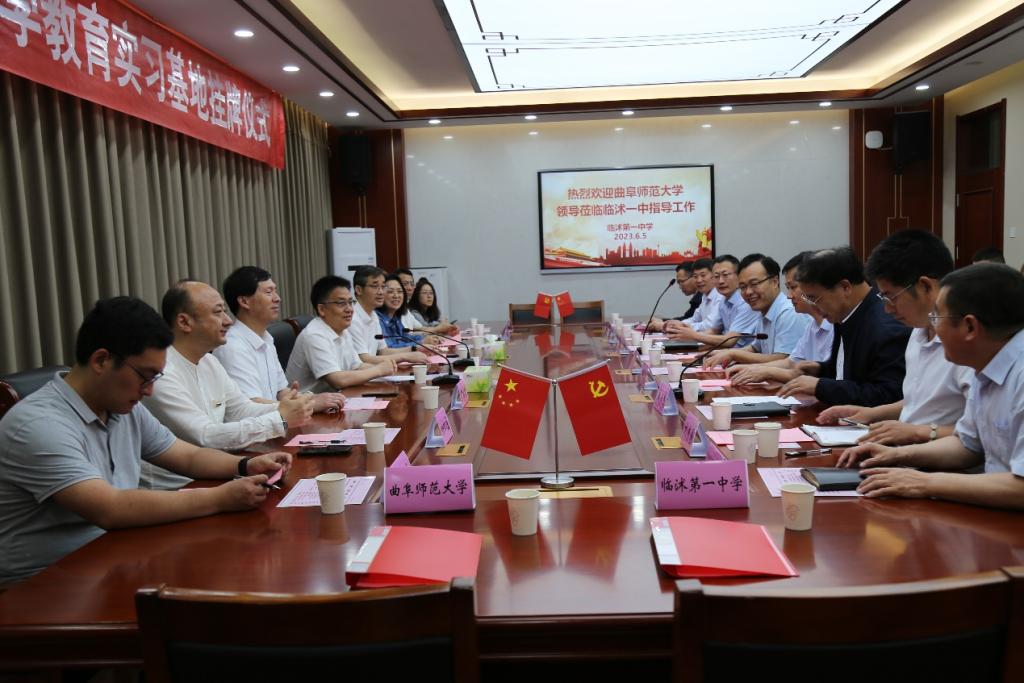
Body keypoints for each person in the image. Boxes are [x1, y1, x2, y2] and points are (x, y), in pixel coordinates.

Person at [0, 297, 290, 584]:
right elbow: (109, 508)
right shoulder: (38, 424)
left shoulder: (122, 407)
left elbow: (187, 456)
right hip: (44, 584)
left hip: (112, 555)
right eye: (146, 376)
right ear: (101, 360)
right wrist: (219, 498)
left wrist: (245, 465)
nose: (149, 391)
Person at [838, 263, 1024, 510]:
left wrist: (923, 483)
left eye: (937, 317)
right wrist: (896, 455)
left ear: (970, 327)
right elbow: (967, 445)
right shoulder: (985, 366)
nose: (933, 328)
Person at [142, 280, 313, 489]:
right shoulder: (161, 373)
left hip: (220, 472)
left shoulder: (209, 361)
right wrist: (279, 418)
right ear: (184, 322)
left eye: (225, 311)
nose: (228, 321)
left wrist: (285, 408)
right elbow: (205, 436)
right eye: (218, 312)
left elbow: (240, 409)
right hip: (177, 488)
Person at [818, 230, 972, 445]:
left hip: (939, 461)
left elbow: (979, 435)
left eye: (891, 297)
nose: (887, 309)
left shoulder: (967, 344)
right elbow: (917, 403)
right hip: (905, 453)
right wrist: (871, 413)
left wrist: (917, 432)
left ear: (926, 286)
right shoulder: (918, 331)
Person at [777, 247, 910, 406]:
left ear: (845, 287)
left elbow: (889, 395)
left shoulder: (885, 327)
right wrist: (821, 369)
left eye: (814, 298)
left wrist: (821, 386)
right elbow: (848, 374)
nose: (812, 306)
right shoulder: (844, 314)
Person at [213, 266, 345, 411]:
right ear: (244, 301)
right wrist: (310, 404)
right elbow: (251, 406)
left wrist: (311, 398)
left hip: (277, 420)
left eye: (275, 291)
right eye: (268, 292)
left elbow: (281, 392)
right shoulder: (232, 347)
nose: (277, 298)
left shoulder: (267, 339)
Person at [728, 251, 834, 385]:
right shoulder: (812, 325)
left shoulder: (791, 313)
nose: (789, 296)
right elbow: (791, 362)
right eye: (742, 287)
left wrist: (737, 357)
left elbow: (786, 360)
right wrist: (751, 369)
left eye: (793, 287)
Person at [286, 276, 397, 392]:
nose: (349, 309)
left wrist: (387, 371)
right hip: (309, 401)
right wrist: (379, 370)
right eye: (341, 303)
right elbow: (338, 380)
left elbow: (357, 366)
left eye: (350, 302)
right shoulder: (314, 335)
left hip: (336, 396)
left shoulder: (342, 330)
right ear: (322, 309)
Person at [703, 253, 810, 368]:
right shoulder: (764, 310)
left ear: (775, 282)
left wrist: (734, 354)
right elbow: (755, 348)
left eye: (754, 284)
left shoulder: (789, 313)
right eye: (743, 287)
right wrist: (724, 354)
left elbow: (783, 359)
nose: (748, 292)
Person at [664, 254, 760, 346]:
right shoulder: (724, 300)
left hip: (741, 353)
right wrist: (684, 330)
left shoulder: (746, 302)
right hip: (726, 350)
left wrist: (693, 335)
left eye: (725, 275)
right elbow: (714, 330)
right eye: (716, 276)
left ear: (739, 276)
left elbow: (729, 340)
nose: (721, 281)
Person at [349, 266, 430, 365]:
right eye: (375, 286)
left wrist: (416, 349)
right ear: (359, 290)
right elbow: (364, 359)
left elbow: (383, 351)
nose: (380, 292)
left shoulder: (373, 315)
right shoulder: (352, 319)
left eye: (383, 287)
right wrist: (406, 356)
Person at [646, 261, 703, 332]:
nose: (680, 287)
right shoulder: (699, 297)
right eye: (678, 283)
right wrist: (663, 321)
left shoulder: (701, 298)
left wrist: (664, 324)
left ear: (694, 277)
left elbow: (692, 322)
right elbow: (688, 319)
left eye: (682, 281)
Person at [665, 258, 718, 332]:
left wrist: (681, 327)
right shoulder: (705, 296)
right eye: (695, 276)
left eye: (703, 275)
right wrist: (676, 324)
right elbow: (694, 319)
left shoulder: (720, 296)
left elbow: (710, 325)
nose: (699, 280)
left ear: (714, 275)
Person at [376, 273, 424, 349]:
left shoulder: (395, 317)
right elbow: (390, 348)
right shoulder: (378, 319)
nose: (396, 296)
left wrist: (425, 338)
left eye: (399, 291)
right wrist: (421, 343)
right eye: (390, 291)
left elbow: (405, 338)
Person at [392, 267, 420, 332]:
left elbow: (420, 329)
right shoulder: (392, 309)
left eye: (412, 284)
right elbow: (404, 336)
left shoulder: (406, 310)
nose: (410, 288)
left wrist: (437, 329)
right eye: (405, 284)